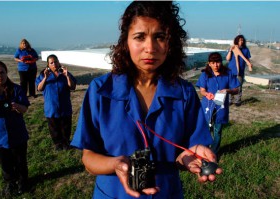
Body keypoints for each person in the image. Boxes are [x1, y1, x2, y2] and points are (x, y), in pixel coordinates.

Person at [71, 1, 222, 198]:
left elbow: (186, 151)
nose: (150, 48)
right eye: (139, 37)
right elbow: (89, 159)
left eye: (159, 37)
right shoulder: (100, 91)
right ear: (126, 41)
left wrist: (189, 158)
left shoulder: (184, 93)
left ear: (170, 43)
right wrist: (116, 164)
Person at [0, 61, 30, 195]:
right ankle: (10, 183)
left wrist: (17, 107)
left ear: (6, 73)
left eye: (2, 72)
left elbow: (25, 108)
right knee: (5, 163)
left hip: (17, 133)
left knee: (20, 161)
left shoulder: (16, 89)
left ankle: (23, 181)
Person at [196, 52, 240, 156]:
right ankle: (205, 151)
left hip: (221, 107)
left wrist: (227, 90)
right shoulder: (205, 74)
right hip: (207, 106)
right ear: (209, 63)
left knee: (218, 130)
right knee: (206, 129)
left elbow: (236, 90)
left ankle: (214, 152)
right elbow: (202, 90)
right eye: (213, 63)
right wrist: (207, 94)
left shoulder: (228, 73)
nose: (216, 65)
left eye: (218, 62)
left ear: (221, 62)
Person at [36, 54, 77, 151]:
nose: (54, 64)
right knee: (54, 127)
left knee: (66, 126)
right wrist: (45, 78)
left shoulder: (64, 73)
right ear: (48, 65)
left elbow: (72, 87)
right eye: (51, 63)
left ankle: (66, 142)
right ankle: (58, 144)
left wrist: (67, 76)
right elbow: (39, 88)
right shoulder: (43, 74)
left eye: (55, 61)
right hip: (52, 107)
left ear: (58, 62)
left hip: (65, 106)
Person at [226, 34, 252, 106]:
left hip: (240, 71)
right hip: (231, 70)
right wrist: (230, 51)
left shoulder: (246, 50)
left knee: (239, 86)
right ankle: (230, 100)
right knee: (230, 85)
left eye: (242, 40)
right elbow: (227, 59)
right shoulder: (232, 48)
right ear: (237, 41)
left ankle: (237, 101)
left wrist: (249, 65)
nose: (241, 42)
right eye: (240, 40)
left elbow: (247, 59)